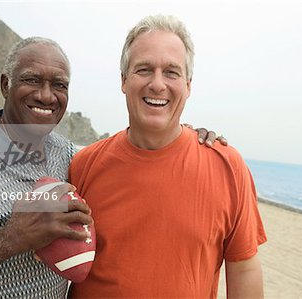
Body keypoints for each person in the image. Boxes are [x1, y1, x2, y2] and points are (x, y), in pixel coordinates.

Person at [0, 37, 222, 298]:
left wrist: (184, 135)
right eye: (32, 80)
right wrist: (9, 239)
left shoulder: (67, 156)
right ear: (6, 84)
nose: (46, 95)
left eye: (59, 85)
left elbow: (131, 159)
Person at [68, 15, 267, 298]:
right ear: (124, 80)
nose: (157, 84)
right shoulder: (83, 165)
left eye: (171, 72)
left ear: (188, 85)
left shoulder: (228, 166)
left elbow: (244, 267)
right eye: (144, 69)